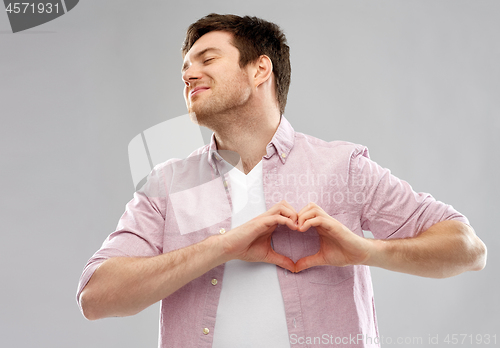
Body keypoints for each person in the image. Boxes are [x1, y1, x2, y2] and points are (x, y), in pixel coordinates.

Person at [77, 14, 487, 348]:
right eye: (185, 68)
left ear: (259, 69)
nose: (189, 75)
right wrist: (220, 247)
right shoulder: (166, 184)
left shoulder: (341, 166)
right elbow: (95, 297)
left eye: (207, 59)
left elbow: (468, 249)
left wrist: (366, 251)